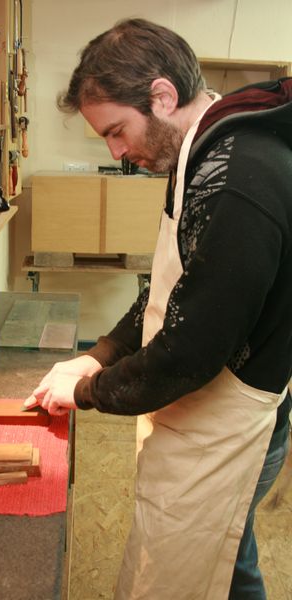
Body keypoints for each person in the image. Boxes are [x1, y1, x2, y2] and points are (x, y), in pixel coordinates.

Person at [26, 18, 292, 600]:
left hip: (233, 421)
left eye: (118, 131)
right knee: (231, 558)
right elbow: (169, 291)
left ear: (163, 96)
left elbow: (188, 353)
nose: (118, 153)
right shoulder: (201, 152)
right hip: (203, 413)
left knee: (204, 569)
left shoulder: (233, 181)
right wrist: (97, 356)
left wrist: (89, 392)